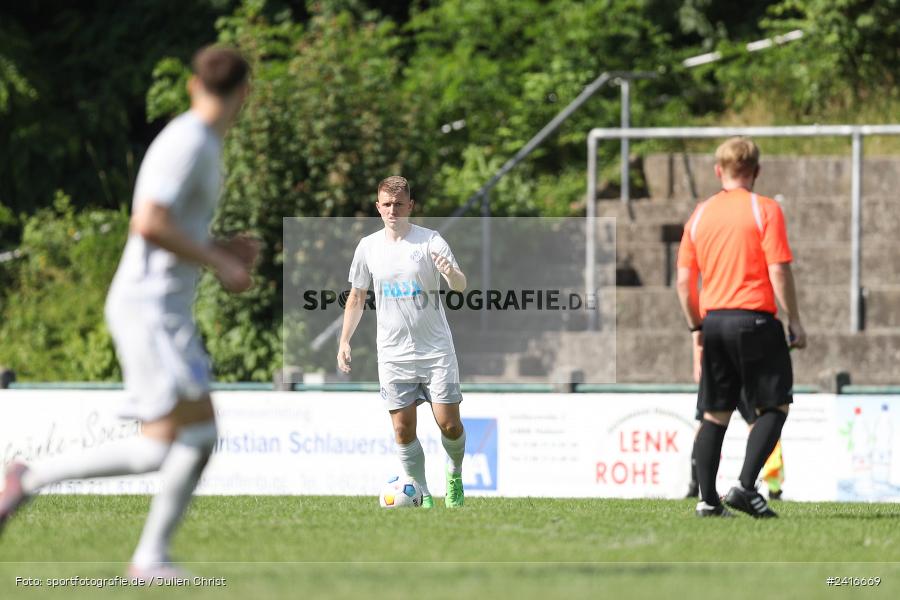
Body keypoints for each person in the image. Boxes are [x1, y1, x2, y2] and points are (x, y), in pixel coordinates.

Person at [0, 46, 254, 575]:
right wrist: (219, 262)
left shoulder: (201, 141)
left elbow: (171, 226)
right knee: (198, 435)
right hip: (150, 309)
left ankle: (32, 479)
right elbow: (148, 223)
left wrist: (220, 248)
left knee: (164, 446)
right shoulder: (189, 142)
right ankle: (147, 556)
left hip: (160, 309)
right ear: (244, 93)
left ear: (192, 85)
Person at [676, 137, 806, 518]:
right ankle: (746, 487)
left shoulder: (700, 214)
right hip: (755, 319)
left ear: (719, 171)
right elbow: (778, 269)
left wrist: (696, 329)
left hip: (714, 321)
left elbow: (684, 283)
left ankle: (707, 500)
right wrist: (794, 318)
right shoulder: (764, 209)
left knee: (715, 414)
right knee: (775, 405)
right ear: (757, 171)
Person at [337, 176, 467, 509]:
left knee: (450, 425)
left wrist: (450, 273)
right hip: (394, 355)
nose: (393, 210)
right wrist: (344, 341)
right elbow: (356, 296)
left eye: (399, 204)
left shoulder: (430, 241)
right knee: (402, 430)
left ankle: (454, 476)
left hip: (436, 350)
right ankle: (421, 491)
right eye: (387, 204)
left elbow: (460, 285)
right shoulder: (368, 247)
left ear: (410, 205)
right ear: (378, 207)